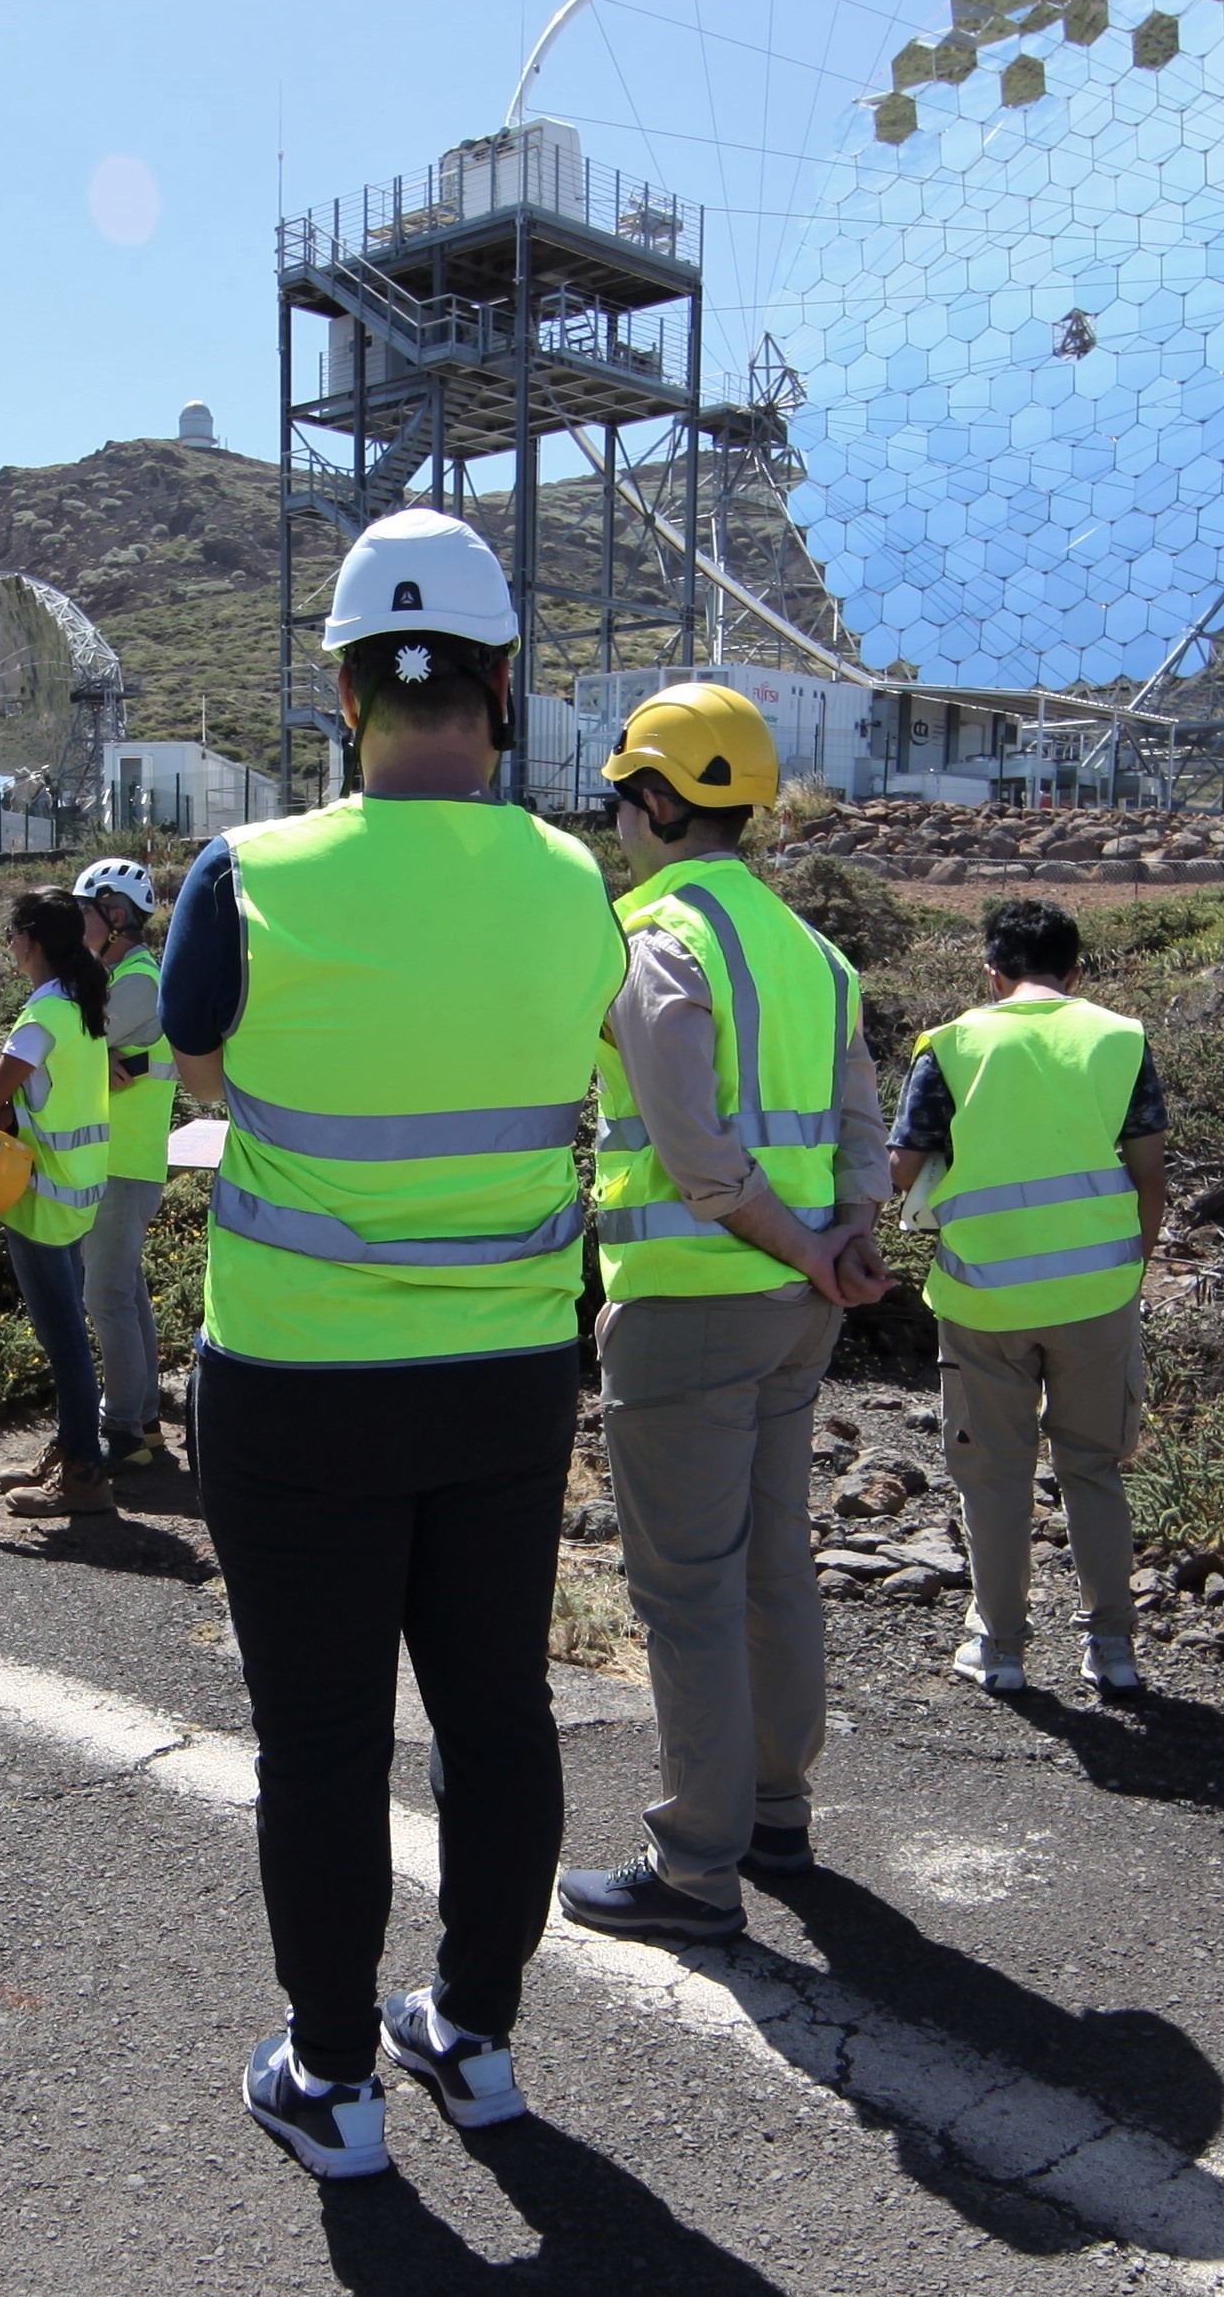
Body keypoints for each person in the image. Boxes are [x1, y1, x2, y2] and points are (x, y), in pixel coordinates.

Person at [160, 510, 628, 2183]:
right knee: (498, 1716)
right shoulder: (579, 881)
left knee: (327, 1740)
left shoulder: (251, 873)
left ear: (344, 687)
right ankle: (476, 2035)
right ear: (504, 687)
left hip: (295, 1382)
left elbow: (199, 1065)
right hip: (505, 1378)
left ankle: (334, 2075)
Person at [553, 685, 892, 1948]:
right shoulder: (814, 951)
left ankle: (695, 1866)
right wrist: (846, 1242)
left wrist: (808, 1242)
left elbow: (695, 1157)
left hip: (693, 1302)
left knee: (684, 1590)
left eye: (619, 800)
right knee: (768, 1562)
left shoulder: (657, 940)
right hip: (798, 1308)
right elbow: (861, 1123)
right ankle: (774, 1810)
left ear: (653, 799)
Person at [894, 897, 1173, 1701]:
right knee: (1092, 1466)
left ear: (991, 972)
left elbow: (898, 1170)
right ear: (1075, 971)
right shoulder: (1119, 1038)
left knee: (993, 1475)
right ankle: (1111, 1649)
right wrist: (1129, 1267)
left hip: (982, 1299)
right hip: (1097, 1294)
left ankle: (1001, 1648)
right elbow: (1150, 1174)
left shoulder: (950, 1046)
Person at [0, 888, 120, 1523]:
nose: (10, 945)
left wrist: (4, 1113)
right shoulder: (81, 1006)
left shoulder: (39, 1020)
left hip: (39, 1201)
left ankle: (85, 1475)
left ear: (29, 941)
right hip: (80, 1192)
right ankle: (71, 1448)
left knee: (62, 1339)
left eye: (13, 935)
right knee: (71, 1333)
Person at [73, 855, 178, 1470]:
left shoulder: (137, 982)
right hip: (126, 1158)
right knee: (127, 1293)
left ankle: (123, 1436)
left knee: (106, 1296)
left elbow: (60, 1046)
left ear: (115, 916)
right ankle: (143, 1424)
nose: (75, 922)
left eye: (84, 911)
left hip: (122, 1161)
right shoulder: (123, 978)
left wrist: (85, 1060)